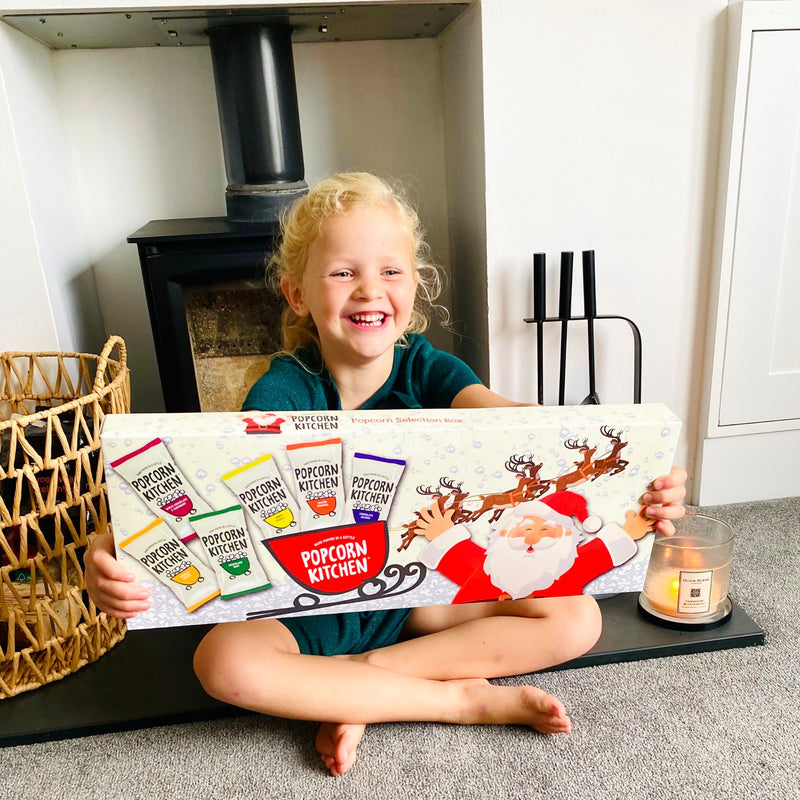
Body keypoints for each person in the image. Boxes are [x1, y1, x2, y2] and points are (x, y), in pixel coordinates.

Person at [85, 172, 687, 778]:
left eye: (391, 272)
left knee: (576, 616)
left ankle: (361, 686)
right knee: (222, 664)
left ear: (415, 287)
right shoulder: (283, 390)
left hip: (419, 601)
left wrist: (638, 482)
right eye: (344, 272)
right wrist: (115, 546)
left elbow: (523, 426)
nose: (369, 290)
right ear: (298, 295)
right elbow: (213, 490)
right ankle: (459, 698)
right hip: (306, 612)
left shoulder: (431, 369)